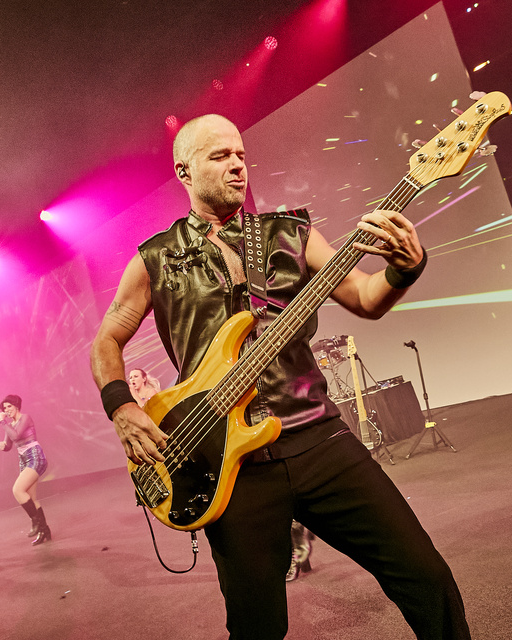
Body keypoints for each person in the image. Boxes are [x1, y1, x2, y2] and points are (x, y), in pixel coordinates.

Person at [89, 114, 469, 639]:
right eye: (220, 156)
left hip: (317, 436)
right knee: (256, 626)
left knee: (427, 577)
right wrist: (122, 407)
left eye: (241, 155)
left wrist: (406, 267)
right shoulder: (155, 259)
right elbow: (107, 339)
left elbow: (364, 297)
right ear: (184, 170)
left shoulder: (291, 233)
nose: (237, 165)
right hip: (229, 460)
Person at [0, 394, 50, 545]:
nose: (7, 410)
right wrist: (3, 446)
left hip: (35, 456)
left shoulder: (26, 418)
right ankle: (45, 530)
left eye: (9, 407)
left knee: (17, 490)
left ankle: (36, 523)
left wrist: (3, 422)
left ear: (16, 406)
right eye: (4, 408)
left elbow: (17, 435)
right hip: (24, 459)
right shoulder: (9, 424)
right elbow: (10, 443)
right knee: (31, 497)